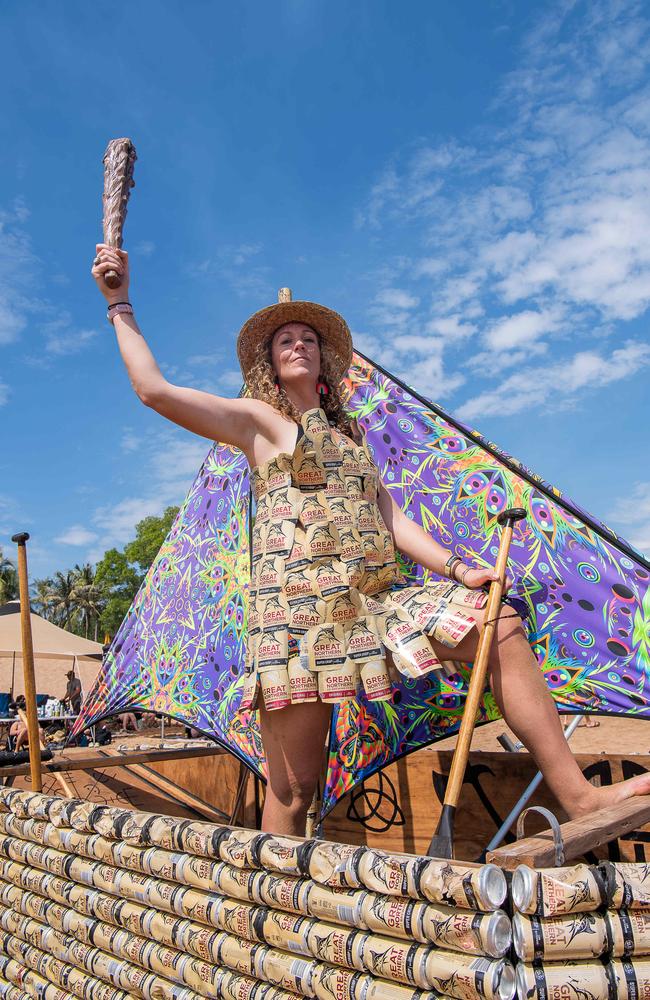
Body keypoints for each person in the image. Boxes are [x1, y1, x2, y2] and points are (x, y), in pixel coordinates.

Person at [92, 244, 650, 836]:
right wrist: (119, 304)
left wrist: (462, 572)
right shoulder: (255, 422)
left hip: (376, 606)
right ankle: (274, 901)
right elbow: (153, 390)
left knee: (499, 623)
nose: (298, 344)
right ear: (270, 363)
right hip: (297, 623)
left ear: (326, 358)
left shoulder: (354, 438)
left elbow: (394, 523)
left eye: (308, 337)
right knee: (294, 788)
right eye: (285, 340)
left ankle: (579, 796)